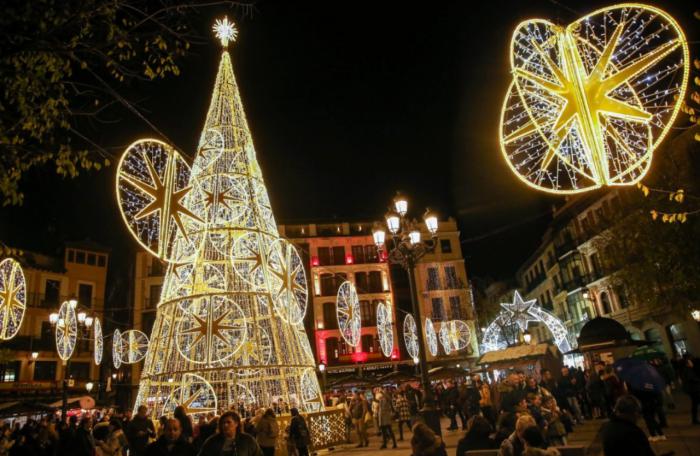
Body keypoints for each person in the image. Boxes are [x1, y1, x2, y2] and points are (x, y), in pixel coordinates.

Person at [680, 353, 700, 424]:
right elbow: (691, 378)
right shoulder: (688, 369)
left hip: (693, 389)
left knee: (695, 404)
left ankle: (694, 419)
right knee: (695, 404)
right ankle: (694, 419)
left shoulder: (686, 369)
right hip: (694, 389)